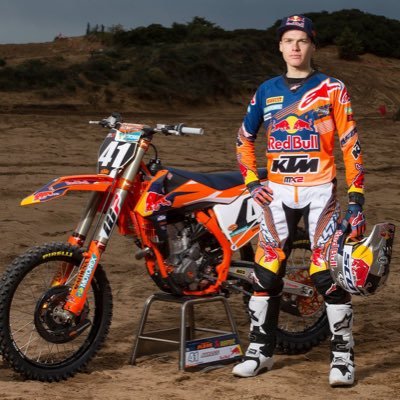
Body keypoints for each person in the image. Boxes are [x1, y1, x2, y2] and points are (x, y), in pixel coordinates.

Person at [233, 14, 366, 386]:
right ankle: (259, 352)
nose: (295, 46)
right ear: (280, 46)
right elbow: (243, 140)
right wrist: (251, 182)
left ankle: (343, 358)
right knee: (265, 274)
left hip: (319, 190)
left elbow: (351, 144)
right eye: (288, 40)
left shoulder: (333, 88)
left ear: (312, 46)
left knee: (326, 274)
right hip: (276, 193)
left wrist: (356, 198)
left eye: (302, 40)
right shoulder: (266, 91)